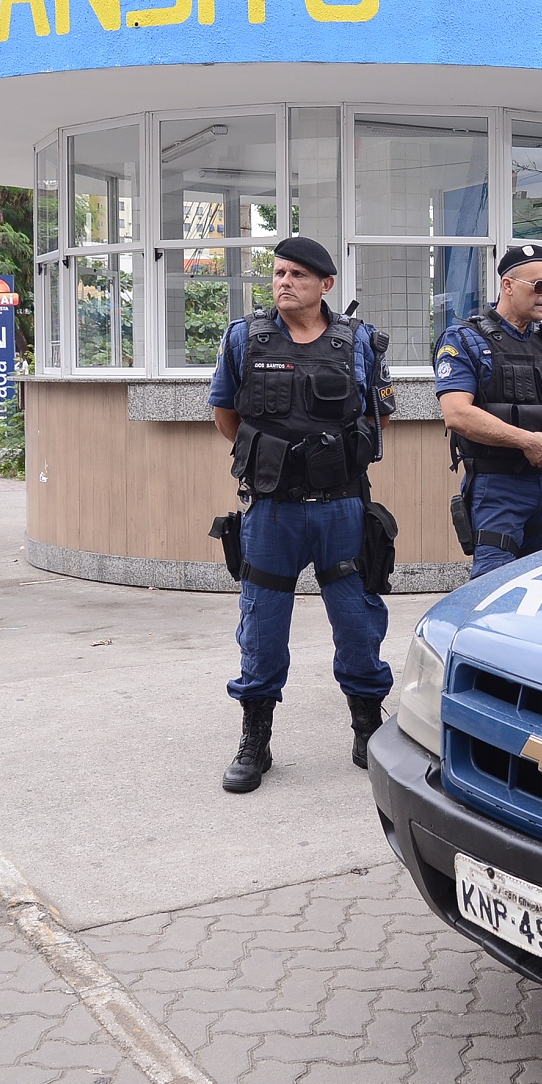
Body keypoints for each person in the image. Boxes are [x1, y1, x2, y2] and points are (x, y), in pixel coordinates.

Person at [208, 236, 396, 793]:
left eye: (298, 275)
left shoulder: (357, 341)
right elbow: (225, 413)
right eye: (279, 273)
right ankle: (255, 740)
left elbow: (374, 414)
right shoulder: (245, 337)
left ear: (326, 285)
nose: (284, 282)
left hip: (341, 506)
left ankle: (367, 726)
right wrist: (269, 462)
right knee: (262, 628)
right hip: (272, 509)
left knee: (359, 623)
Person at [437, 242, 542, 577]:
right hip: (498, 486)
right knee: (491, 588)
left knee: (541, 588)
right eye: (538, 285)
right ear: (508, 286)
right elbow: (456, 413)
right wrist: (528, 441)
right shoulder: (465, 339)